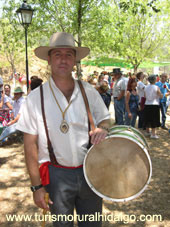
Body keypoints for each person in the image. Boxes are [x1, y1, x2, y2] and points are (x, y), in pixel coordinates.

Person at [16, 32, 110, 227]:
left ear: (74, 60)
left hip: (90, 172)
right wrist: (36, 187)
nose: (63, 59)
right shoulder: (35, 99)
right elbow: (30, 147)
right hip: (56, 177)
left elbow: (105, 121)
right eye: (57, 54)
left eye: (69, 54)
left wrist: (103, 129)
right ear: (49, 59)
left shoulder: (89, 91)